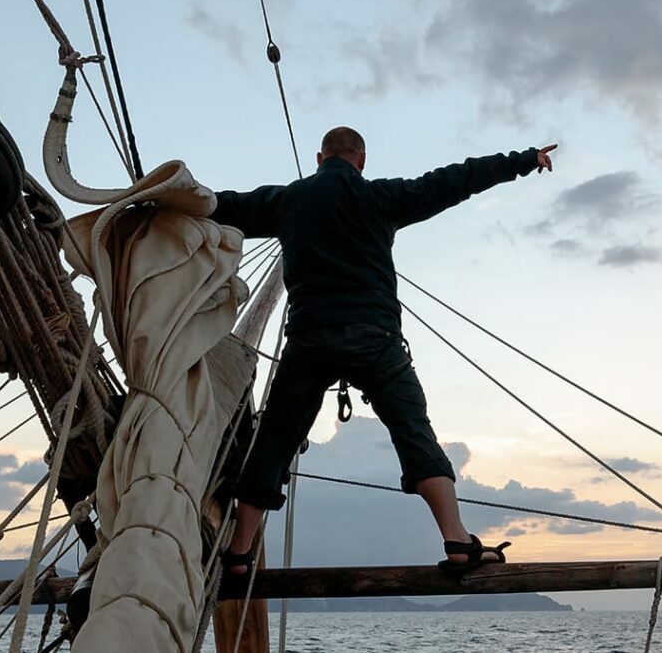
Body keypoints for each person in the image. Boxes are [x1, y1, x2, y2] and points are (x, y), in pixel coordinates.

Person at [211, 127, 557, 575]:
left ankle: (239, 553)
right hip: (376, 341)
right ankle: (456, 541)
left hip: (310, 341)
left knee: (274, 441)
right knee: (414, 433)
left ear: (320, 158)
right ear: (361, 161)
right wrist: (523, 159)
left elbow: (219, 206)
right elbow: (454, 180)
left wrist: (155, 199)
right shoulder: (381, 198)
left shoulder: (286, 201)